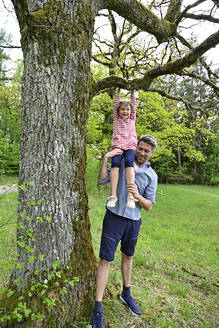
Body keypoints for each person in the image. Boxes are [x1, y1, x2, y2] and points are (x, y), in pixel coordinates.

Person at [92, 135, 158, 328]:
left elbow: (149, 206)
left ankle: (126, 293)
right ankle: (98, 307)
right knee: (105, 259)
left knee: (127, 257)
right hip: (113, 218)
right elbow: (102, 180)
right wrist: (106, 158)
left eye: (147, 150)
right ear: (136, 147)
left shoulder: (151, 176)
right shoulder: (122, 162)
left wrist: (137, 195)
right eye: (141, 148)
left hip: (133, 222)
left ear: (151, 153)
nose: (142, 152)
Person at [107, 88, 137, 209]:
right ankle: (113, 195)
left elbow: (134, 104)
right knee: (115, 163)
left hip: (130, 145)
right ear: (118, 111)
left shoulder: (132, 119)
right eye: (123, 109)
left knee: (129, 162)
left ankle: (130, 195)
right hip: (118, 145)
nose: (125, 111)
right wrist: (118, 90)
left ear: (131, 111)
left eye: (127, 109)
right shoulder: (116, 119)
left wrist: (133, 93)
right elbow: (115, 103)